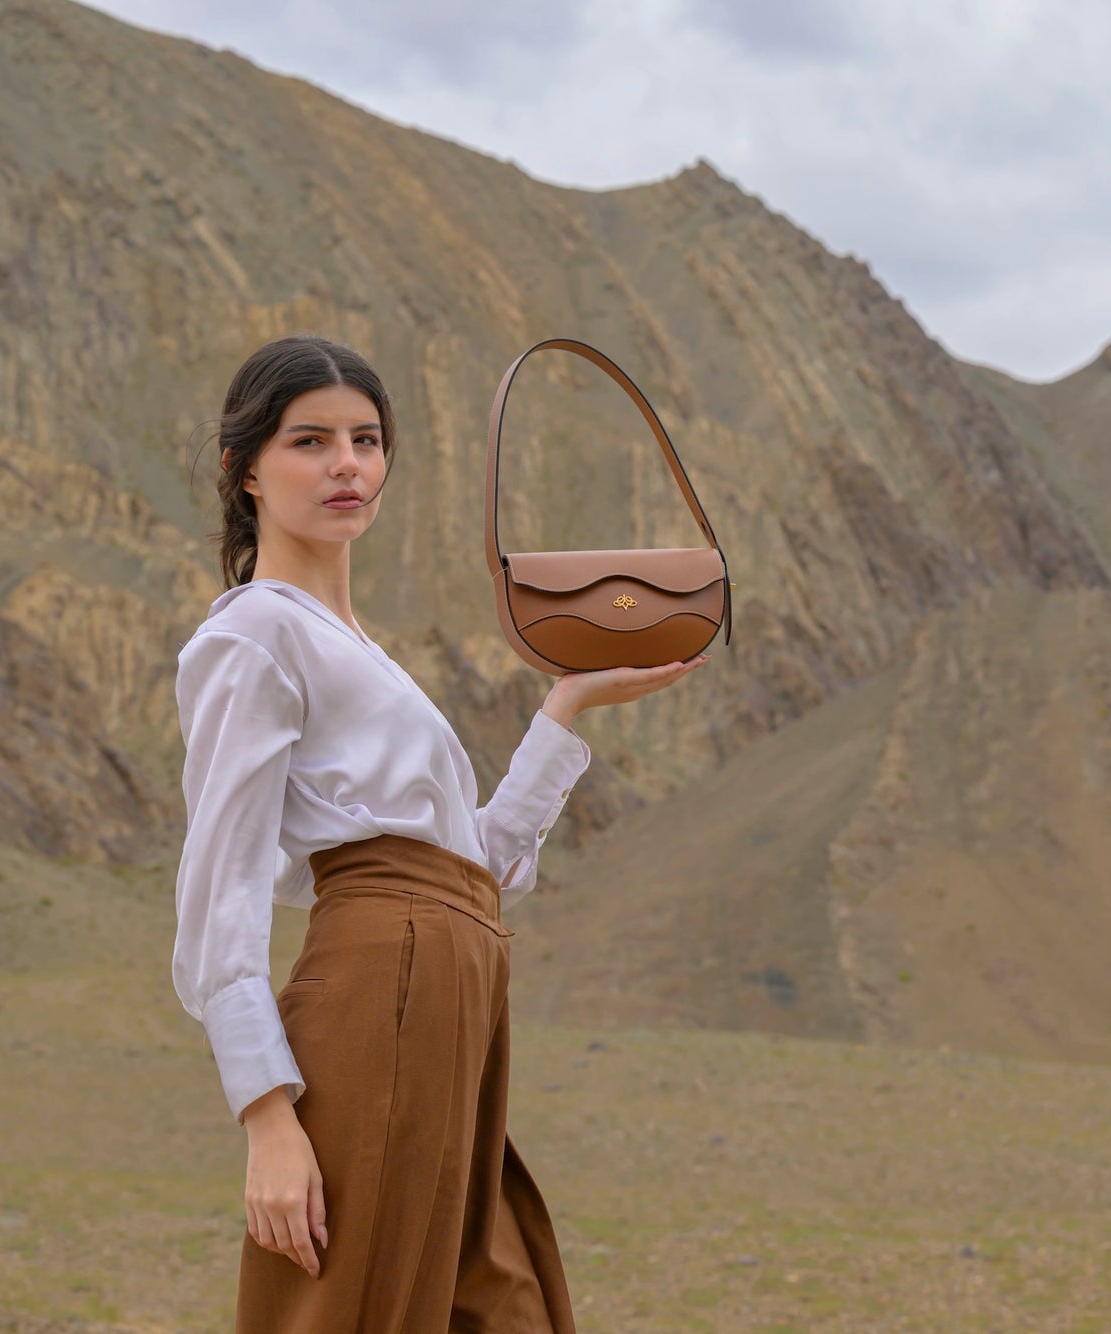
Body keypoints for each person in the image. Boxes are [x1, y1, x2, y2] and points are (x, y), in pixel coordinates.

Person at [170, 333, 709, 1330]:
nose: (346, 464)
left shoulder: (358, 649)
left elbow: (478, 864)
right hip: (386, 981)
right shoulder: (254, 633)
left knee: (494, 1303)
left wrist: (567, 706)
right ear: (245, 467)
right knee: (360, 1307)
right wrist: (267, 1118)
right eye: (310, 440)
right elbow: (221, 890)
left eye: (367, 439)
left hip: (457, 988)